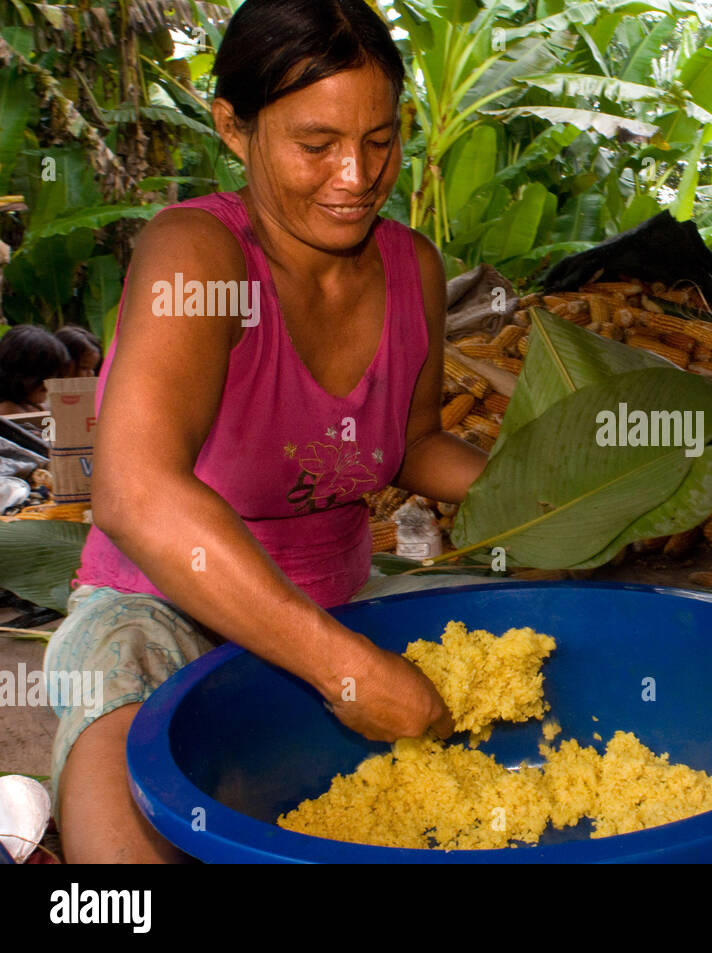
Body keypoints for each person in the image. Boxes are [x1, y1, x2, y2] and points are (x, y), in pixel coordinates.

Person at [43, 0, 490, 863]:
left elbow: (415, 443)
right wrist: (344, 670)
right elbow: (134, 495)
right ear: (234, 129)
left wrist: (570, 498)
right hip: (159, 612)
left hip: (341, 605)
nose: (356, 174)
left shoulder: (413, 268)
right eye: (316, 145)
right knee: (118, 867)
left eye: (381, 138)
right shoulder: (197, 255)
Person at [0, 324, 71, 415]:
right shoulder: (8, 410)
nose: (49, 382)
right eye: (42, 374)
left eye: (55, 375)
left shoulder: (29, 403)